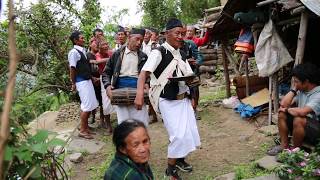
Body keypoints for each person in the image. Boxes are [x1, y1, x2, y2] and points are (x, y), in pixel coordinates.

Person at [135, 18, 201, 179]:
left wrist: (193, 96)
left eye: (183, 34)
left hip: (182, 99)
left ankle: (180, 160)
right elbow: (144, 73)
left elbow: (188, 76)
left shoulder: (182, 52)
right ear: (167, 34)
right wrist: (139, 95)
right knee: (177, 135)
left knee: (187, 132)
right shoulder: (158, 52)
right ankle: (170, 168)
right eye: (177, 33)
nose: (181, 37)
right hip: (167, 101)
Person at [267, 63, 320, 155]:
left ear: (306, 81)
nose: (294, 84)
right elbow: (283, 104)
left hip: (316, 132)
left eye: (296, 81)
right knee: (282, 114)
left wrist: (288, 110)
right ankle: (284, 145)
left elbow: (303, 112)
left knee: (299, 119)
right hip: (302, 128)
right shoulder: (302, 90)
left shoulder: (318, 94)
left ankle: (295, 151)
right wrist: (294, 90)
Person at [102, 28, 149, 126]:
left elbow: (148, 75)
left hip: (138, 93)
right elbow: (106, 73)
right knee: (124, 125)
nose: (139, 43)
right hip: (120, 93)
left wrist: (147, 84)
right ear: (129, 37)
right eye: (137, 39)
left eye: (141, 40)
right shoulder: (117, 54)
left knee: (141, 124)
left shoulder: (143, 56)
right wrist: (107, 86)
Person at [68, 31, 98, 139]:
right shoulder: (74, 52)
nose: (83, 39)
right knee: (86, 107)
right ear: (75, 40)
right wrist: (73, 83)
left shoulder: (82, 51)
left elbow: (84, 68)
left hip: (87, 80)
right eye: (81, 38)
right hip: (81, 82)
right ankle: (83, 130)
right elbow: (72, 68)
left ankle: (86, 127)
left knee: (90, 105)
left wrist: (91, 77)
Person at [182, 27, 204, 120]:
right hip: (180, 74)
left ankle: (194, 110)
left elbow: (199, 56)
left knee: (194, 90)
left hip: (192, 71)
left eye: (182, 34)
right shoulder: (173, 47)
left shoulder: (190, 44)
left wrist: (197, 62)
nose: (181, 37)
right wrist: (186, 61)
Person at [93, 40, 114, 134]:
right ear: (99, 47)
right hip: (104, 80)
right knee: (105, 103)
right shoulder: (98, 54)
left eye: (106, 44)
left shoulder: (111, 52)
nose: (106, 46)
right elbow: (98, 61)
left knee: (121, 99)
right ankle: (109, 127)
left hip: (114, 77)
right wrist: (110, 59)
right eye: (103, 44)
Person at [87, 38, 101, 125]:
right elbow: (85, 69)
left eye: (97, 44)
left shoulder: (100, 54)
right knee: (92, 100)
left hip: (101, 80)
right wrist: (92, 78)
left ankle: (103, 119)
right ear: (90, 45)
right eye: (94, 43)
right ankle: (92, 116)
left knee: (102, 101)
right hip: (91, 81)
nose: (96, 45)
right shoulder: (87, 55)